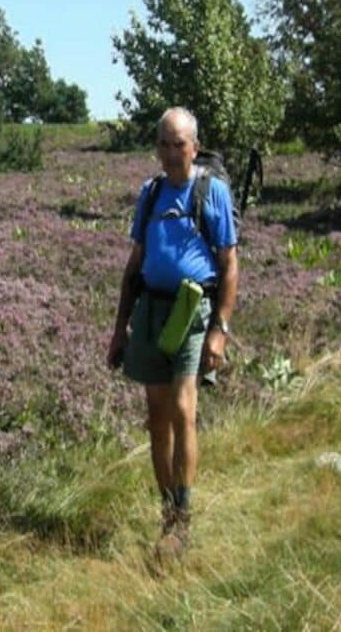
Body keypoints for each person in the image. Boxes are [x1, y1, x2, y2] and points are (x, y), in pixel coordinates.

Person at [106, 107, 238, 557]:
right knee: (157, 419)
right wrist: (119, 329)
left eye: (178, 143)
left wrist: (220, 328)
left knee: (184, 408)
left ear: (194, 147)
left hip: (193, 309)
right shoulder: (152, 193)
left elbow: (229, 263)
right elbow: (135, 262)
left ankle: (183, 517)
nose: (169, 152)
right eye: (162, 143)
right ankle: (169, 514)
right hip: (150, 310)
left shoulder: (211, 192)